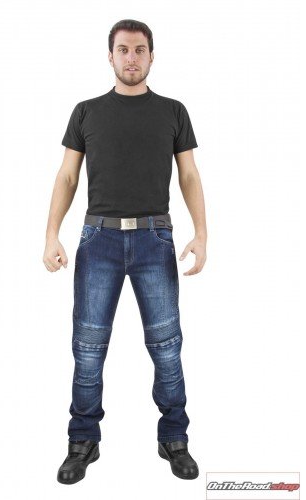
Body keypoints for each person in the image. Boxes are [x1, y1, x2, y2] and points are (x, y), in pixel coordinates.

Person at [43, 19, 207, 485]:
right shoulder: (86, 112)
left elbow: (189, 175)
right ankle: (83, 441)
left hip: (156, 239)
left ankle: (174, 437)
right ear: (110, 56)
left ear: (152, 56)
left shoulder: (173, 111)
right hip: (99, 241)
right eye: (123, 50)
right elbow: (67, 176)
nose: (131, 58)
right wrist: (51, 234)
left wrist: (201, 233)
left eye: (139, 50)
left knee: (167, 346)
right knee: (88, 348)